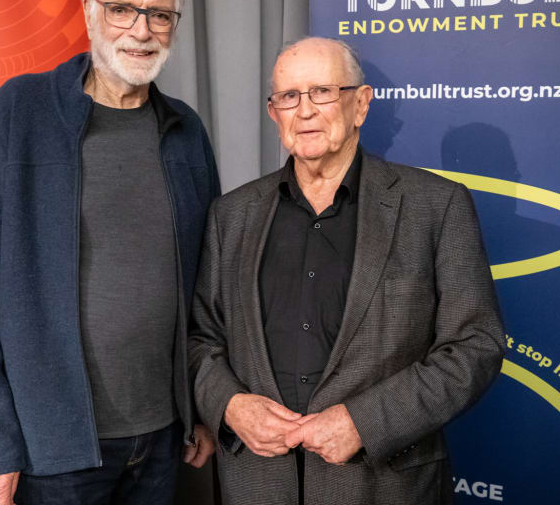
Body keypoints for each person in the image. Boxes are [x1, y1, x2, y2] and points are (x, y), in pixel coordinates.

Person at [0, 0, 219, 505]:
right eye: (123, 9)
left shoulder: (185, 131)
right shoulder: (19, 113)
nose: (141, 31)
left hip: (165, 438)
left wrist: (205, 407)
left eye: (160, 14)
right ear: (90, 11)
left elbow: (210, 291)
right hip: (53, 452)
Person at [189, 37, 504, 504]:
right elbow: (201, 339)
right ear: (274, 114)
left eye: (322, 92)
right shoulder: (231, 215)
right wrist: (231, 406)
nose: (305, 110)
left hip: (383, 485)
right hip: (257, 485)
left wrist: (366, 421)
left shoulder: (435, 206)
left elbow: (476, 346)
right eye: (289, 97)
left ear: (361, 104)